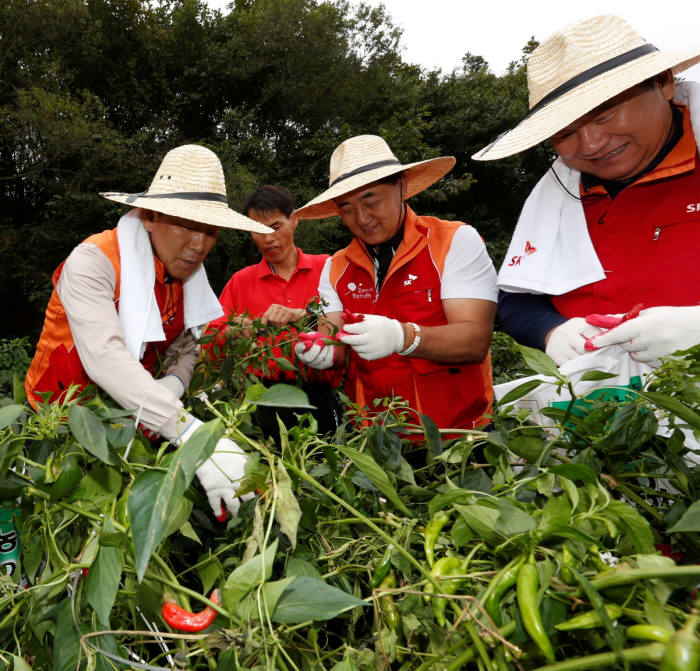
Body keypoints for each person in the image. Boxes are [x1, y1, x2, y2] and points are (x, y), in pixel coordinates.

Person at [24, 144, 272, 518]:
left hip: (132, 422)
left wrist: (172, 383)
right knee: (50, 520)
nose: (199, 245)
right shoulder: (93, 262)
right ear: (150, 216)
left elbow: (190, 342)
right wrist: (193, 437)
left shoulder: (187, 277)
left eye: (210, 232)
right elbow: (104, 358)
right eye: (187, 226)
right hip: (57, 422)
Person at [472, 14, 700, 367]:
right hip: (601, 409)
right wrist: (551, 331)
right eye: (565, 133)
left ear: (664, 83)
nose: (591, 145)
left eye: (605, 115)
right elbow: (518, 298)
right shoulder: (557, 193)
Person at [292, 134, 498, 431]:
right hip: (377, 437)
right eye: (347, 208)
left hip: (458, 433)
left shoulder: (452, 242)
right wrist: (322, 353)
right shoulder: (336, 267)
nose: (362, 218)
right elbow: (332, 338)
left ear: (401, 186)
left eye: (370, 200)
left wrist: (404, 337)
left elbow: (473, 340)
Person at [205, 185, 343, 440]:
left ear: (295, 220)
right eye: (258, 230)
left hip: (321, 395)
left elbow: (349, 323)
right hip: (261, 400)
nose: (267, 238)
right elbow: (211, 340)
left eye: (275, 226)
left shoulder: (327, 267)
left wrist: (303, 314)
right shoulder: (241, 281)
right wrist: (234, 329)